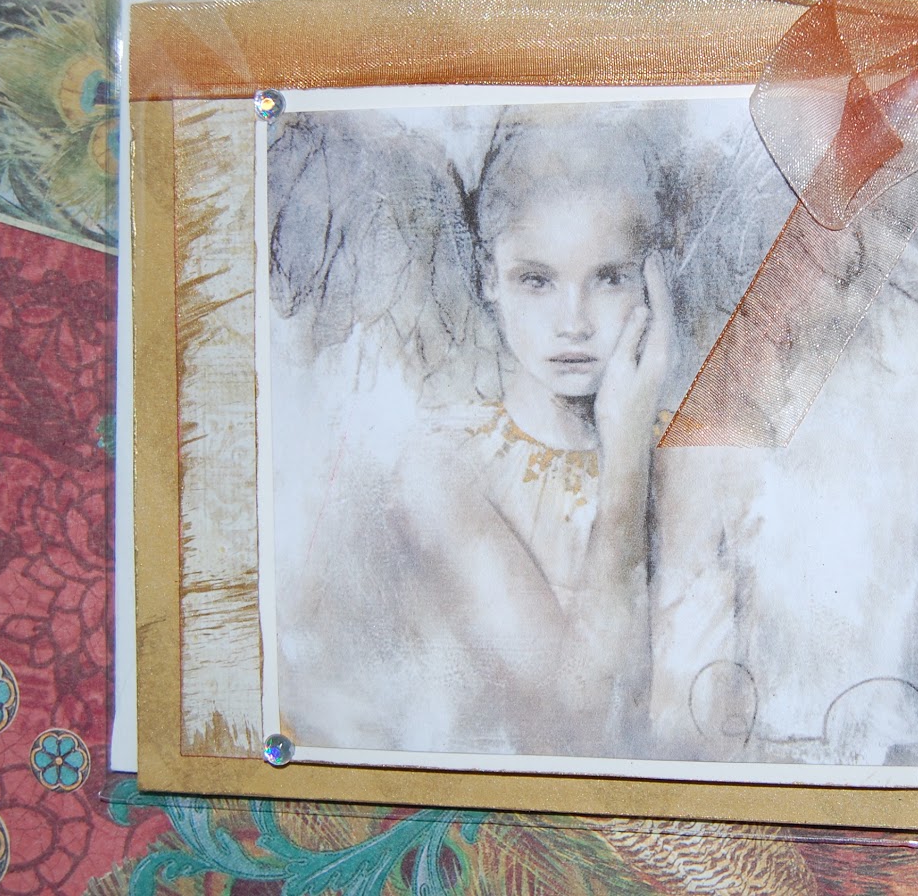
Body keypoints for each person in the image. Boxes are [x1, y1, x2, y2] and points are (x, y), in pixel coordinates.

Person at [278, 110, 674, 759]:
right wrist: (625, 451)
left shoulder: (685, 456)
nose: (573, 323)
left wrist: (636, 440)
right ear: (491, 277)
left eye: (608, 278)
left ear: (651, 281)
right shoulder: (445, 467)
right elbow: (580, 729)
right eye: (536, 280)